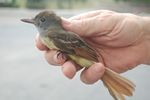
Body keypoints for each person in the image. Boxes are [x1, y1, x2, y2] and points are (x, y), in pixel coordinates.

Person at [35, 10, 150, 84]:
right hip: (84, 57)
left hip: (86, 57)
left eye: (42, 20)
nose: (37, 23)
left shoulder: (53, 34)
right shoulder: (48, 36)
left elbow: (79, 50)